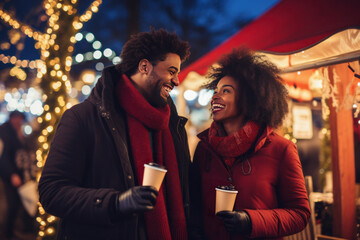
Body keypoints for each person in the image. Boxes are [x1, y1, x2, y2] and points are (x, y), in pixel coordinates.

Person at [38, 29, 191, 240]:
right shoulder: (83, 117)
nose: (176, 81)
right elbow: (51, 192)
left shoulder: (172, 125)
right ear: (144, 66)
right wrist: (115, 203)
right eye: (171, 71)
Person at [189, 48, 310, 240]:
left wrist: (250, 220)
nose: (215, 97)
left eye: (225, 91)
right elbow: (194, 205)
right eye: (215, 91)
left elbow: (299, 214)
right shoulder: (204, 148)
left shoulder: (281, 149)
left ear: (250, 98)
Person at [0, 110, 26, 239]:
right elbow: (3, 156)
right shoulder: (5, 132)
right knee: (10, 206)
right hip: (9, 176)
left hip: (16, 175)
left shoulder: (17, 131)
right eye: (16, 118)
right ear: (11, 119)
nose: (19, 121)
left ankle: (10, 232)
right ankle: (7, 234)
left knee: (15, 205)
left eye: (20, 118)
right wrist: (11, 175)